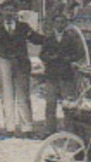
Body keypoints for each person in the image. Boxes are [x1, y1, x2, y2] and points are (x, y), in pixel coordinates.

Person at [0, 0, 37, 136]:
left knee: (23, 95)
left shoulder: (23, 27)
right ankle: (10, 127)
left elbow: (36, 38)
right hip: (4, 60)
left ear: (16, 12)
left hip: (21, 62)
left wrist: (51, 36)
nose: (9, 13)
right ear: (1, 11)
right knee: (7, 94)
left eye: (12, 10)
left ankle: (27, 127)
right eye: (6, 10)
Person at [36, 7, 86, 136]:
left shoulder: (72, 38)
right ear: (53, 24)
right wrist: (50, 58)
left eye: (62, 22)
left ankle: (69, 129)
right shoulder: (49, 38)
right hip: (52, 75)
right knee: (50, 104)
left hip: (66, 74)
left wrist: (68, 59)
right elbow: (42, 54)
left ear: (66, 24)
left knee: (68, 104)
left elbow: (79, 53)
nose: (59, 25)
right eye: (57, 22)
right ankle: (50, 129)